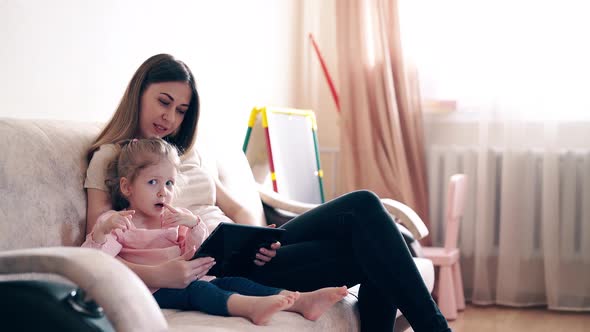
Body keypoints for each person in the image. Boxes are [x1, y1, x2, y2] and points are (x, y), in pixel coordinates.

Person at [85, 54, 451, 332]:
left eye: (181, 110)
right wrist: (162, 273)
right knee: (368, 216)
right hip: (212, 269)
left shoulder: (187, 154)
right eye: (163, 102)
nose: (170, 118)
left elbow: (240, 209)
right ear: (139, 93)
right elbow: (98, 251)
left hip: (245, 250)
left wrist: (258, 238)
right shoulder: (111, 158)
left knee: (370, 229)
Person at [82, 138, 348, 325]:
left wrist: (194, 224)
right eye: (153, 182)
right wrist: (101, 233)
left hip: (191, 279)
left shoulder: (172, 220)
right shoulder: (117, 222)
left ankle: (300, 301)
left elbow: (200, 251)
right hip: (152, 290)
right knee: (201, 292)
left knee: (235, 283)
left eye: (170, 183)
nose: (164, 191)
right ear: (127, 188)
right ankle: (250, 308)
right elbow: (93, 261)